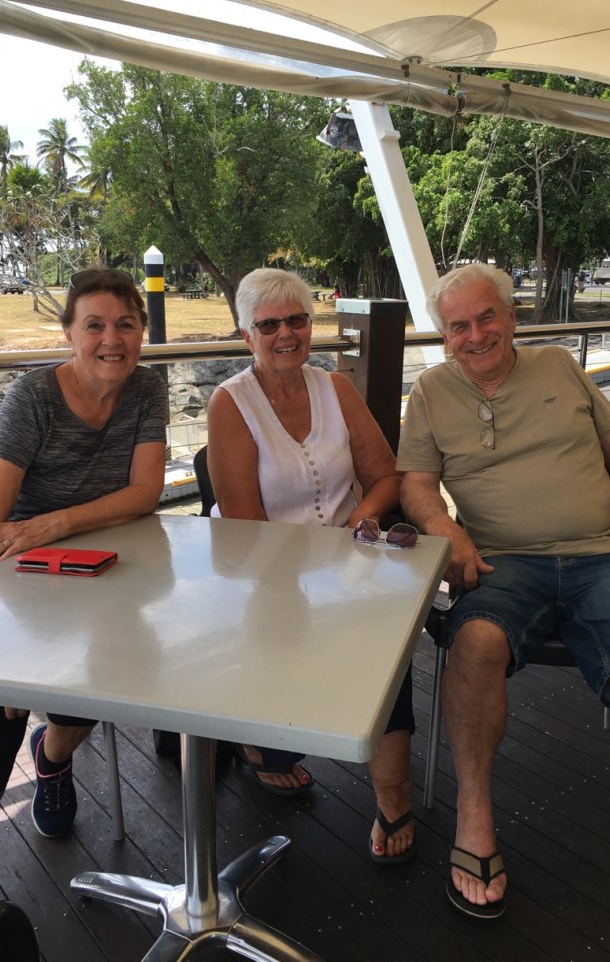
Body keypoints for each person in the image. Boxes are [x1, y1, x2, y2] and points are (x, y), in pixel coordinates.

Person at [397, 262, 610, 954]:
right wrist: (443, 528)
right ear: (443, 335)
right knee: (474, 644)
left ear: (511, 316)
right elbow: (416, 485)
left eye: (486, 317)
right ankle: (474, 821)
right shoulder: (430, 393)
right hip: (504, 563)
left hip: (603, 556)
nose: (475, 335)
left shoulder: (558, 365)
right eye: (458, 326)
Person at [0, 265, 168, 924]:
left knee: (116, 657)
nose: (112, 339)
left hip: (74, 553)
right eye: (95, 325)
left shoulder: (146, 388)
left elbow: (145, 493)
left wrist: (53, 525)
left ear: (141, 332)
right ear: (69, 333)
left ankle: (53, 758)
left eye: (125, 324)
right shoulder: (33, 397)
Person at [207, 267, 415, 863]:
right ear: (247, 335)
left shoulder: (336, 388)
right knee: (288, 628)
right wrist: (319, 572)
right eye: (268, 324)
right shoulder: (230, 403)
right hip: (263, 566)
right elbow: (245, 523)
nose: (285, 334)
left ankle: (392, 793)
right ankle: (261, 745)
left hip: (347, 559)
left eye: (296, 320)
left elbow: (385, 477)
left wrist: (361, 519)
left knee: (388, 638)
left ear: (310, 325)